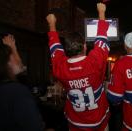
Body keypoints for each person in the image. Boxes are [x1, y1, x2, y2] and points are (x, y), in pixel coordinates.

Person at [46, 3, 110, 131]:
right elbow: (102, 38)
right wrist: (101, 12)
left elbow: (54, 46)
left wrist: (52, 24)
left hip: (76, 124)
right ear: (85, 46)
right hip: (100, 122)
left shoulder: (61, 68)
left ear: (66, 50)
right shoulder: (94, 62)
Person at [0, 34, 44, 131]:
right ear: (8, 62)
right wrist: (13, 47)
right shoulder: (17, 91)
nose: (18, 58)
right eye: (13, 55)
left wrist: (12, 48)